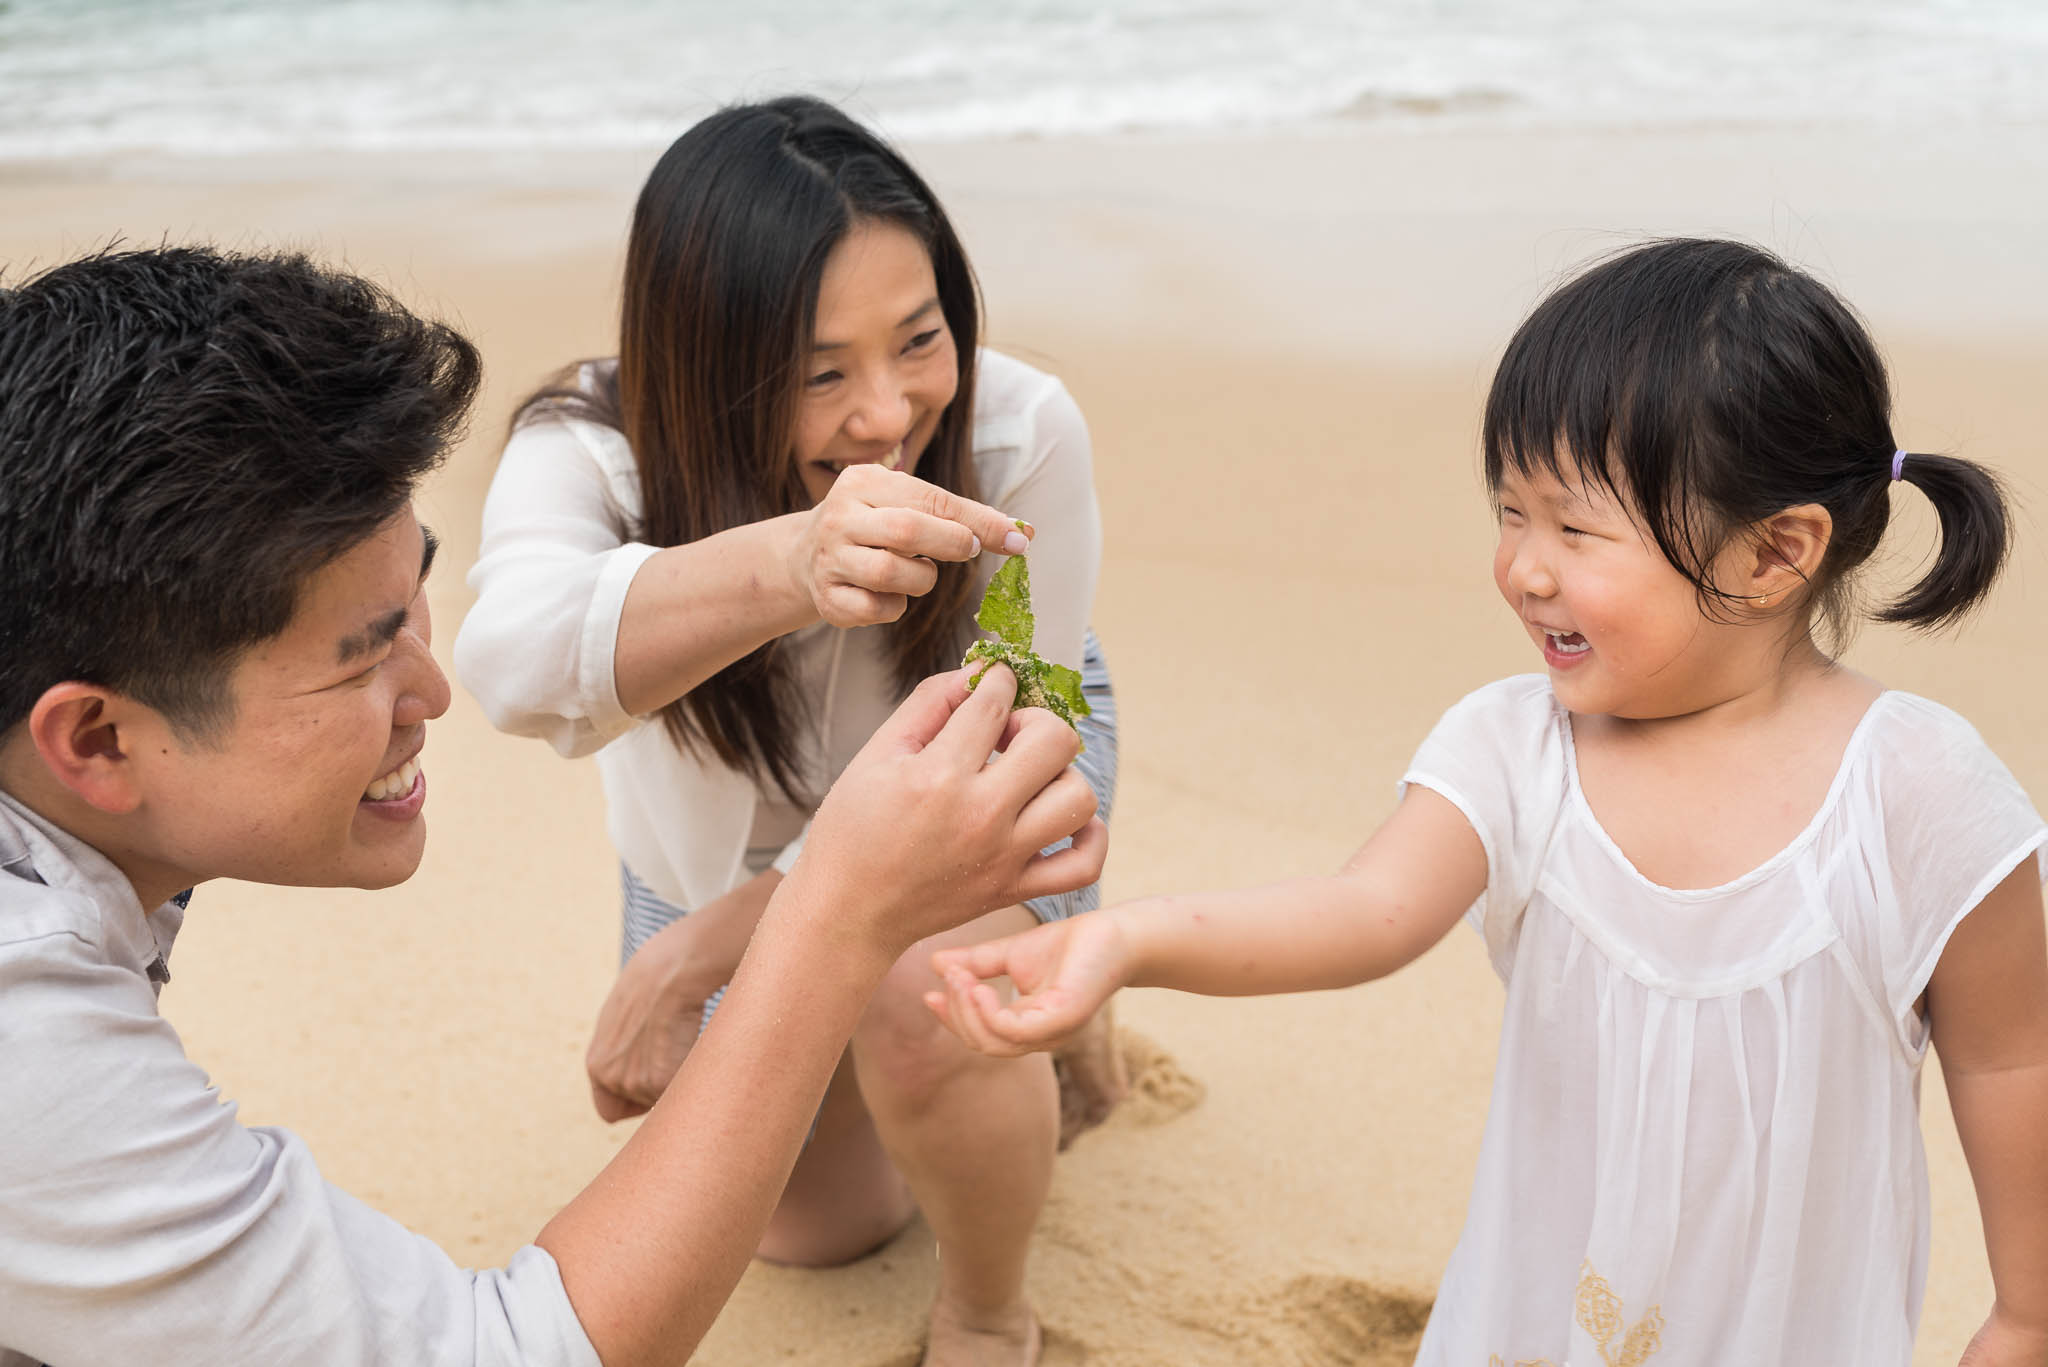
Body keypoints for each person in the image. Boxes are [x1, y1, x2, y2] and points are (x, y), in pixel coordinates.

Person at [926, 238, 2048, 1366]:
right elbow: (1363, 909)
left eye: (1574, 527)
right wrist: (1123, 941)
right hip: (1528, 1321)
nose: (1522, 567)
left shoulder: (1911, 794)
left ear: (1773, 552)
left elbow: (2009, 1058)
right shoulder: (1516, 747)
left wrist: (2024, 1312)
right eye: (1509, 513)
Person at [0, 244, 1104, 1367]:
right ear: (95, 738)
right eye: (364, 658)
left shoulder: (1026, 433)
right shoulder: (27, 1043)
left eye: (413, 602)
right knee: (803, 1221)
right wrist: (834, 912)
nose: (431, 691)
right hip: (730, 866)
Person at [454, 96, 1119, 1365]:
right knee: (812, 1226)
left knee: (929, 1007)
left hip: (981, 777)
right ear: (708, 364)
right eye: (820, 374)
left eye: (919, 340)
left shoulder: (1019, 431)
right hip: (709, 857)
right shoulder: (591, 455)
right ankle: (1043, 1020)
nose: (885, 413)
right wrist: (789, 562)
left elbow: (992, 763)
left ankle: (987, 1309)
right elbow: (515, 669)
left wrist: (700, 955)